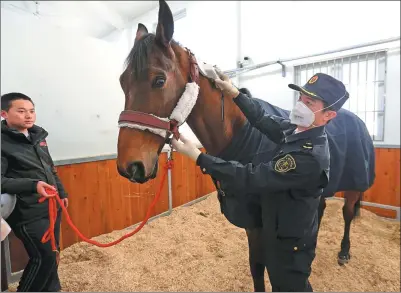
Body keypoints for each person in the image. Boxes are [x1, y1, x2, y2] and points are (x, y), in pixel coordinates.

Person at [172, 72, 349, 292]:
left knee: (289, 287)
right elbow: (262, 120)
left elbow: (251, 176)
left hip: (290, 245)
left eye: (309, 102)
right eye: (301, 98)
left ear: (328, 114)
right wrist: (235, 93)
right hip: (276, 230)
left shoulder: (309, 155)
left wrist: (199, 157)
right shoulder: (296, 132)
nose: (300, 105)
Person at [1, 92, 69, 292]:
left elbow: (49, 167)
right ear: (4, 113)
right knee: (43, 256)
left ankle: (52, 289)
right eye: (21, 111)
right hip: (26, 211)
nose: (28, 116)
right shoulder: (2, 142)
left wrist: (62, 193)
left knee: (53, 253)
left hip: (51, 206)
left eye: (31, 111)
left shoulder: (38, 136)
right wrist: (33, 185)